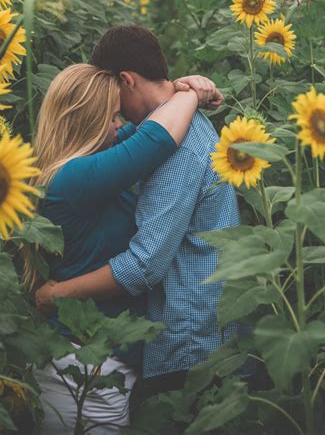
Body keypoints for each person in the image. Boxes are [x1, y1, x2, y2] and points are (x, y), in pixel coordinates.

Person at [36, 25, 241, 398]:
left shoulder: (175, 146)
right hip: (191, 330)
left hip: (188, 337)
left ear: (126, 81)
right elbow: (145, 137)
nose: (119, 125)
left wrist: (56, 294)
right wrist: (188, 91)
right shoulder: (175, 129)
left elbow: (145, 266)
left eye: (115, 107)